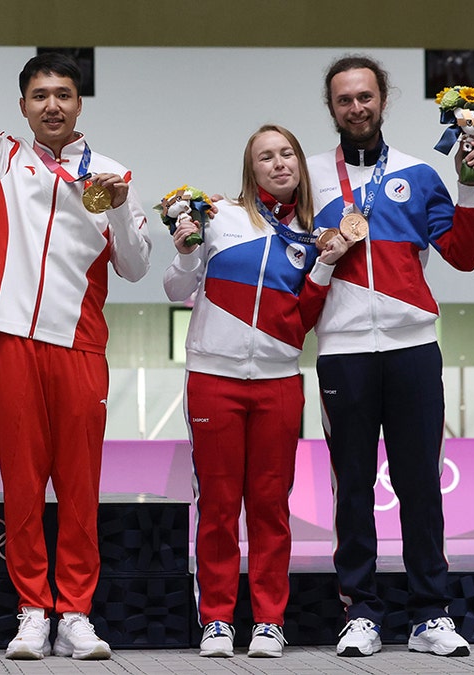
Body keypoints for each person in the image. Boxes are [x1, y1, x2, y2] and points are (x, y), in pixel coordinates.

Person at [0, 0, 152, 661]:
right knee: (23, 484)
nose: (53, 104)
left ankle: (77, 613)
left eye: (64, 93)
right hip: (13, 345)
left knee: (80, 487)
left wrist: (120, 211)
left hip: (81, 347)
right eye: (40, 95)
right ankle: (33, 608)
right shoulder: (2, 159)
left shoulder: (114, 173)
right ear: (25, 104)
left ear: (79, 103)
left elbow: (137, 265)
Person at [310, 54, 474, 658]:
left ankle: (430, 614)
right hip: (342, 352)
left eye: (365, 96)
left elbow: (464, 256)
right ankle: (360, 611)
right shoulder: (308, 179)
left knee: (420, 485)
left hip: (413, 347)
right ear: (331, 108)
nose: (356, 108)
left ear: (383, 99)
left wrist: (469, 183)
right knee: (352, 487)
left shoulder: (420, 173)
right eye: (344, 100)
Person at [163, 125, 350, 659]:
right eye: (265, 156)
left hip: (278, 383)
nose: (279, 163)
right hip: (213, 381)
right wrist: (183, 252)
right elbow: (177, 291)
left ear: (299, 163)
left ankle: (269, 620)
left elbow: (307, 319)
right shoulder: (217, 216)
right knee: (219, 506)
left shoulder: (317, 234)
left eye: (287, 153)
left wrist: (325, 262)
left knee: (270, 507)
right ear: (252, 169)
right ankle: (217, 619)